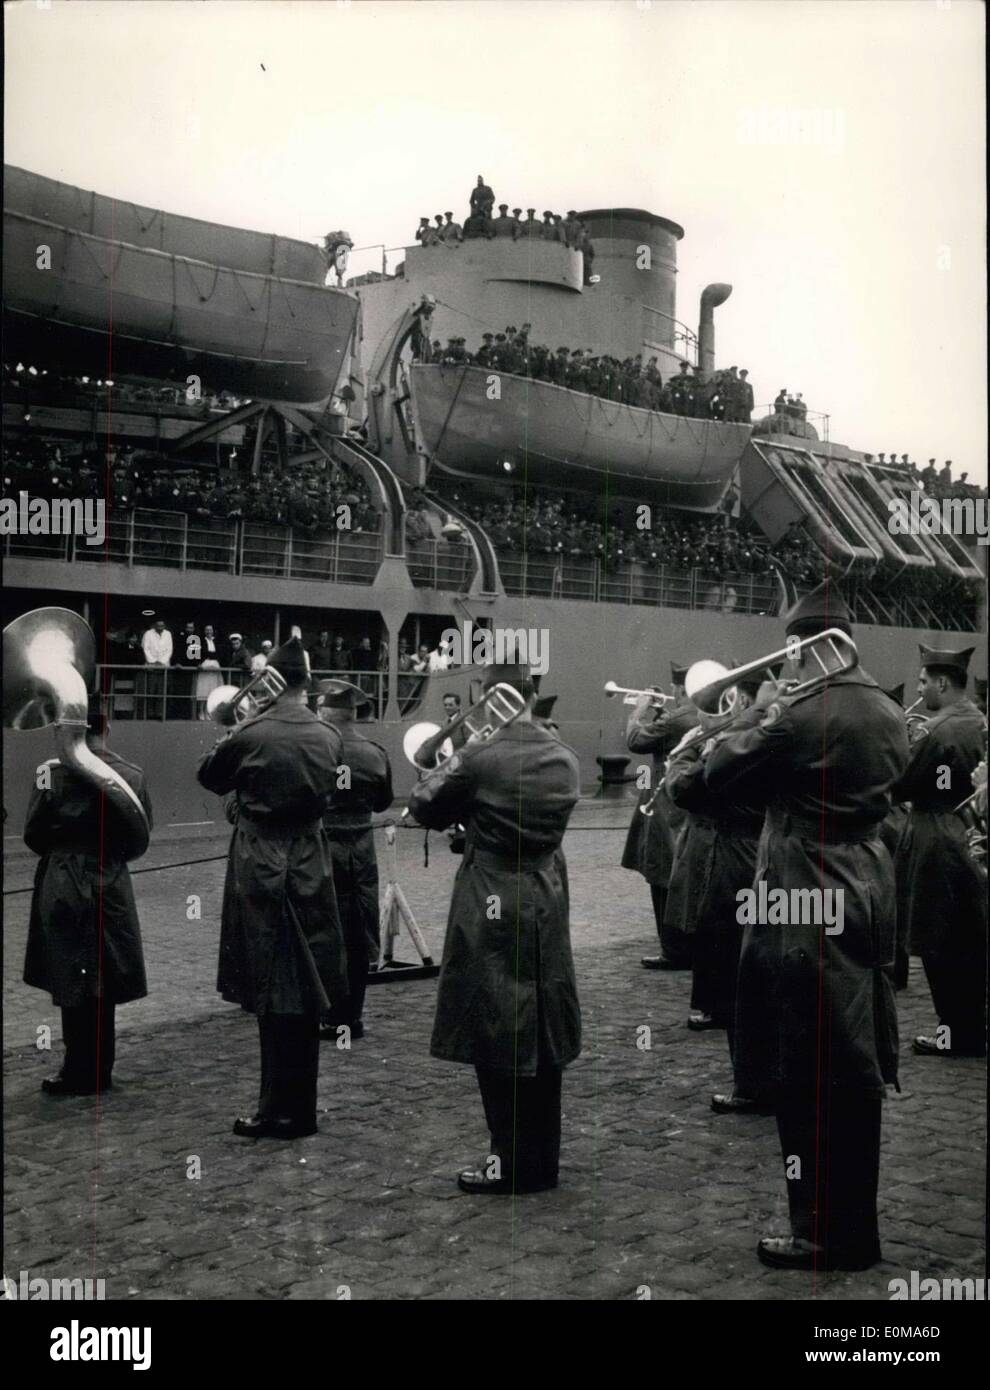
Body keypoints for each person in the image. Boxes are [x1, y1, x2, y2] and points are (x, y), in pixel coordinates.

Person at [699, 583, 909, 1270]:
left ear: (803, 645)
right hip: (865, 888)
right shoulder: (887, 708)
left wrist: (758, 712)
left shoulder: (796, 711)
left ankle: (819, 1232)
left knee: (805, 1068)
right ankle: (856, 1231)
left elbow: (714, 774)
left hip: (802, 892)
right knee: (854, 1064)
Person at [407, 661, 581, 1194]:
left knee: (495, 1018)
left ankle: (507, 1162)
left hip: (492, 890)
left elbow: (424, 807)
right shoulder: (564, 756)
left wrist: (461, 753)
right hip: (547, 891)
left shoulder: (480, 755)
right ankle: (541, 1160)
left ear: (490, 695)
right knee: (543, 1020)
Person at [197, 636, 348, 1140]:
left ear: (274, 681)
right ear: (308, 684)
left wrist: (239, 728)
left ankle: (274, 1110)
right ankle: (299, 1108)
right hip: (311, 860)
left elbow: (210, 777)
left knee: (269, 984)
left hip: (261, 860)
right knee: (303, 988)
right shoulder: (329, 734)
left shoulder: (253, 731)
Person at [24, 692, 152, 1095]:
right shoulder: (131, 774)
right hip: (110, 876)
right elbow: (140, 835)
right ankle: (101, 1069)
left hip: (62, 875)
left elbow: (33, 834)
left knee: (68, 969)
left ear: (67, 727)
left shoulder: (50, 772)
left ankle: (75, 1068)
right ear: (107, 726)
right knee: (104, 972)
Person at [665, 669, 776, 1113]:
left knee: (736, 975)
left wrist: (703, 750)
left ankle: (751, 1086)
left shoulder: (741, 743)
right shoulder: (781, 734)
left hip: (735, 863)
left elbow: (686, 788)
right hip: (771, 859)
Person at [892, 644, 986, 1058]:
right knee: (970, 938)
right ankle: (974, 1027)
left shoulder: (936, 729)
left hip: (937, 837)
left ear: (943, 682)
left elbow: (904, 784)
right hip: (972, 833)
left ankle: (954, 1035)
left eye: (924, 681)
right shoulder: (978, 720)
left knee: (939, 944)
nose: (919, 687)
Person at [316, 679, 393, 1041]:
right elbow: (382, 802)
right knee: (360, 929)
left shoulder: (318, 747)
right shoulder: (375, 751)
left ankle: (329, 1014)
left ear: (324, 713)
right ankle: (352, 1017)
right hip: (362, 846)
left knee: (326, 926)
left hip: (325, 843)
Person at [621, 663, 696, 969]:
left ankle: (673, 950)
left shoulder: (677, 717)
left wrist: (638, 711)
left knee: (661, 874)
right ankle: (687, 945)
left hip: (664, 805)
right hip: (688, 805)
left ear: (679, 689)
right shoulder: (698, 713)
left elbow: (636, 741)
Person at [140, 615, 172, 719]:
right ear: (154, 625)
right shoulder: (148, 633)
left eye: (162, 625)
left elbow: (169, 649)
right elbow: (146, 648)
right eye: (158, 625)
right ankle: (149, 714)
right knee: (151, 691)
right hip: (151, 667)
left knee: (162, 692)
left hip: (163, 667)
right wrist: (153, 662)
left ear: (165, 625)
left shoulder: (168, 634)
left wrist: (161, 662)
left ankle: (160, 714)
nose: (160, 627)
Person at [195, 623, 223, 719]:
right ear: (204, 631)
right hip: (204, 667)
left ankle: (208, 712)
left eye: (210, 630)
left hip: (214, 668)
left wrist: (210, 654)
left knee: (212, 690)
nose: (209, 632)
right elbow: (202, 652)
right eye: (207, 630)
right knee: (203, 690)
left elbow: (219, 653)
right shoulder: (200, 641)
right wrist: (211, 654)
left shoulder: (217, 641)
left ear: (213, 631)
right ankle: (201, 712)